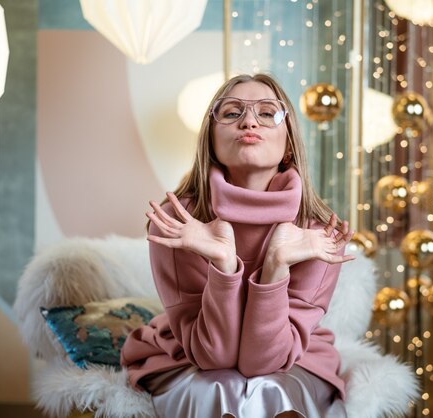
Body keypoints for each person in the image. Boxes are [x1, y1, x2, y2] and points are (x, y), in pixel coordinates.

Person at [121, 73, 355, 418]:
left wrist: (276, 264)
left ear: (288, 144)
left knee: (270, 391)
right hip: (185, 353)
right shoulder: (178, 220)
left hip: (293, 357)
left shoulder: (318, 230)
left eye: (267, 113)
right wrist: (224, 265)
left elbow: (266, 361)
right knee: (220, 387)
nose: (249, 121)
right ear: (211, 141)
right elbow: (213, 356)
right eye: (232, 113)